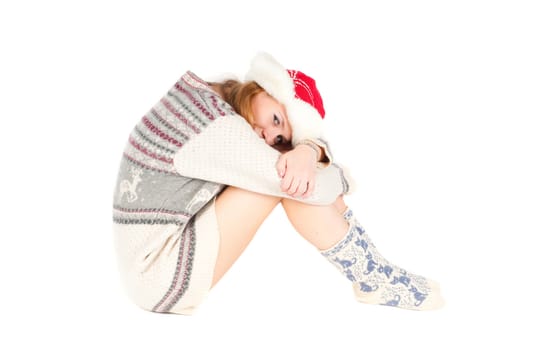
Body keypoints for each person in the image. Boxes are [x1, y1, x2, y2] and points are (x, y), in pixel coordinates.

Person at [112, 52, 444, 315]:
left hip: (149, 265)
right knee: (291, 180)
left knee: (290, 173)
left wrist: (307, 149)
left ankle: (373, 274)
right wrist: (321, 160)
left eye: (281, 137)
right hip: (157, 276)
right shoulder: (218, 127)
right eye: (276, 120)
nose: (269, 136)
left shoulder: (206, 99)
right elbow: (317, 187)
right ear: (266, 89)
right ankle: (373, 277)